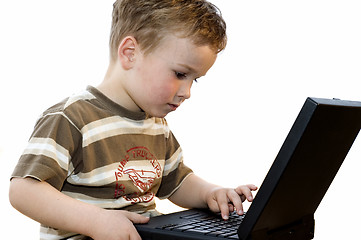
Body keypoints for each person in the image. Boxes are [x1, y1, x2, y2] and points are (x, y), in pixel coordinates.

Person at [9, 0, 257, 239]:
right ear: (130, 53)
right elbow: (23, 191)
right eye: (180, 74)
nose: (187, 92)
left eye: (195, 79)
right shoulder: (72, 118)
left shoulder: (156, 126)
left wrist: (211, 194)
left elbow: (176, 182)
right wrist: (96, 221)